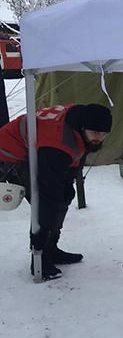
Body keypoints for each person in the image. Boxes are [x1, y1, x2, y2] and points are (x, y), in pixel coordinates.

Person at [0, 104, 112, 280]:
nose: (100, 138)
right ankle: (40, 258)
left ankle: (51, 249)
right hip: (11, 154)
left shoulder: (78, 123)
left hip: (38, 149)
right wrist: (40, 234)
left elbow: (73, 159)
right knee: (47, 201)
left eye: (104, 134)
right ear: (83, 128)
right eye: (95, 133)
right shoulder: (58, 143)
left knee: (64, 195)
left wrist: (68, 187)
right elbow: (46, 194)